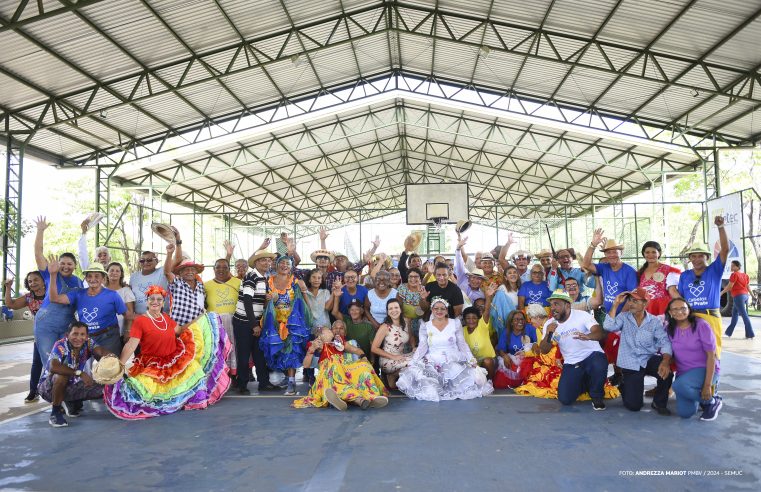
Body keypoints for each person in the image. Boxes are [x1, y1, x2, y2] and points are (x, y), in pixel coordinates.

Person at [104, 286, 231, 419]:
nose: (155, 302)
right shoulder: (140, 321)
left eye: (159, 299)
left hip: (175, 359)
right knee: (145, 393)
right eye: (152, 298)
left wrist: (199, 319)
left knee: (193, 376)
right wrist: (120, 364)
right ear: (147, 301)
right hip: (153, 365)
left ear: (163, 302)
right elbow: (131, 345)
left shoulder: (165, 317)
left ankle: (184, 400)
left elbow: (180, 330)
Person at [396, 298, 493, 401]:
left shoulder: (455, 323)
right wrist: (414, 361)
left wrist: (471, 359)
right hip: (433, 359)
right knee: (427, 385)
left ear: (446, 310)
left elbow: (462, 344)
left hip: (453, 358)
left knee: (472, 380)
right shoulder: (425, 326)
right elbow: (422, 346)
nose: (439, 311)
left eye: (442, 308)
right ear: (432, 310)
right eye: (436, 308)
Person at [601, 288, 673, 415]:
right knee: (634, 406)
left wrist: (666, 361)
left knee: (667, 372)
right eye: (630, 300)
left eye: (635, 301)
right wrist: (615, 304)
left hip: (648, 359)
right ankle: (624, 384)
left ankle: (659, 402)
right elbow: (608, 326)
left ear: (645, 303)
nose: (630, 303)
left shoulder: (654, 321)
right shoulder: (623, 317)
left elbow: (664, 341)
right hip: (631, 362)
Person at [540, 290, 610, 410]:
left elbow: (600, 333)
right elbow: (544, 350)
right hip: (572, 362)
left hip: (591, 355)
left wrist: (588, 336)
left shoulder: (582, 316)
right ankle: (586, 381)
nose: (552, 308)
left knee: (599, 363)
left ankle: (597, 396)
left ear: (567, 305)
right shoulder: (549, 324)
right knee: (565, 399)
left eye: (556, 304)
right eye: (551, 305)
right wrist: (548, 334)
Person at [38, 321, 116, 427]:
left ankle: (70, 401)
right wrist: (79, 373)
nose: (78, 338)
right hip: (48, 389)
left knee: (106, 387)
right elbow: (54, 367)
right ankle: (55, 413)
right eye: (75, 334)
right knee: (61, 375)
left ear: (86, 336)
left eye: (82, 334)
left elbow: (101, 352)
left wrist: (114, 361)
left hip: (72, 385)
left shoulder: (88, 342)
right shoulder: (61, 345)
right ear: (67, 335)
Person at [294, 327, 388, 411]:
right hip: (328, 369)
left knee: (363, 367)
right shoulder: (315, 344)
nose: (331, 331)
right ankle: (358, 400)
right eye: (328, 330)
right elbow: (306, 365)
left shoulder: (338, 341)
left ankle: (370, 397)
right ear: (320, 334)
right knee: (334, 368)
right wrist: (311, 350)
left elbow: (354, 350)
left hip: (344, 366)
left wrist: (363, 357)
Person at [676, 216, 729, 361]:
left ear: (707, 257)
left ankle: (711, 384)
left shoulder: (714, 271)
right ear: (690, 258)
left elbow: (725, 250)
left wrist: (721, 227)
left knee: (713, 353)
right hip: (690, 317)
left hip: (710, 317)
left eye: (701, 256)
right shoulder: (685, 276)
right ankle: (694, 382)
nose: (697, 259)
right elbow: (680, 298)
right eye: (694, 256)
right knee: (690, 354)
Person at [32, 216, 83, 365]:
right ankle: (46, 388)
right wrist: (40, 231)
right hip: (46, 323)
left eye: (69, 264)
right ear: (57, 264)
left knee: (68, 361)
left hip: (67, 324)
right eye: (62, 263)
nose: (65, 266)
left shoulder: (79, 282)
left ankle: (65, 388)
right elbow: (38, 253)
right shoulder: (49, 272)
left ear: (75, 266)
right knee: (50, 362)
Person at [47, 260, 126, 355]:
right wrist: (53, 275)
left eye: (97, 276)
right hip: (85, 337)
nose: (93, 279)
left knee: (111, 365)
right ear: (86, 278)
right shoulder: (78, 293)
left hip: (108, 337)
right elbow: (54, 298)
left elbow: (126, 315)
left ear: (103, 279)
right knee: (77, 366)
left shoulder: (113, 295)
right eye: (89, 276)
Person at [259, 255, 312, 396]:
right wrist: (267, 300)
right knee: (280, 351)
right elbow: (262, 305)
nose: (284, 265)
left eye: (287, 263)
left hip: (292, 323)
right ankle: (287, 377)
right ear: (276, 265)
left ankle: (291, 382)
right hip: (274, 323)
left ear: (291, 266)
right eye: (281, 263)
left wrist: (308, 319)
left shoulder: (297, 281)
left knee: (291, 352)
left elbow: (307, 304)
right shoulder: (268, 281)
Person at [665, 298, 722, 421]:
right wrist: (664, 363)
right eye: (675, 309)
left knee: (678, 386)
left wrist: (707, 385)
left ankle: (712, 402)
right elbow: (669, 353)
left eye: (683, 308)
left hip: (705, 369)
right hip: (684, 373)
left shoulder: (701, 325)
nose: (679, 311)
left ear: (689, 310)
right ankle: (698, 397)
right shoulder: (669, 328)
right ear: (670, 312)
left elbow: (712, 357)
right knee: (685, 413)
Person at [233, 249, 278, 394]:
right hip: (244, 322)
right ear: (256, 263)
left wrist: (266, 300)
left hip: (254, 321)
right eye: (263, 260)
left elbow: (257, 302)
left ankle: (263, 382)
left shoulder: (263, 278)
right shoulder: (251, 276)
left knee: (259, 354)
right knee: (244, 354)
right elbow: (247, 301)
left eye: (268, 260)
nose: (266, 262)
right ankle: (242, 384)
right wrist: (254, 325)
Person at [4, 272, 47, 403]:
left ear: (44, 280)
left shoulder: (52, 293)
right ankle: (33, 392)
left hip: (57, 333)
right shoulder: (29, 297)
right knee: (37, 363)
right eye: (30, 281)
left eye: (36, 280)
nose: (32, 283)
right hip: (40, 335)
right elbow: (10, 304)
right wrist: (7, 287)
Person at [204, 258, 242, 379]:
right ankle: (220, 378)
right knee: (219, 350)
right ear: (213, 269)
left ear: (229, 269)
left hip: (235, 322)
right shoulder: (206, 285)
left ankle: (235, 376)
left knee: (235, 349)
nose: (221, 270)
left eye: (225, 267)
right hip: (216, 325)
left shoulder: (238, 282)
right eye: (218, 267)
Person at [371, 299, 415, 389]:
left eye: (396, 307)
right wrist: (393, 357)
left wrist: (414, 347)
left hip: (401, 356)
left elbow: (411, 337)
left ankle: (397, 376)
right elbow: (374, 348)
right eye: (390, 308)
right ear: (387, 312)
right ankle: (391, 375)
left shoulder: (406, 321)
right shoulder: (385, 327)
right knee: (412, 363)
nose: (394, 310)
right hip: (388, 360)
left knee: (421, 359)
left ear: (400, 309)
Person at [164, 242, 206, 326]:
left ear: (196, 272)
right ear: (181, 272)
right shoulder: (177, 284)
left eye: (192, 269)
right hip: (178, 328)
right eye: (186, 269)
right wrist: (169, 253)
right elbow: (167, 272)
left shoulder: (201, 286)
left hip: (197, 328)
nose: (190, 272)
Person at [461, 284, 498, 380]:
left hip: (488, 361)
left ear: (478, 319)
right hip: (472, 362)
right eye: (468, 318)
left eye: (474, 318)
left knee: (487, 361)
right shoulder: (462, 331)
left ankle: (490, 381)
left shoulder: (482, 325)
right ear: (464, 320)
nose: (471, 321)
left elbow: (486, 311)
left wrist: (488, 297)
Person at [494, 310, 537, 388]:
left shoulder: (530, 328)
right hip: (513, 361)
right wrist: (504, 356)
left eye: (522, 319)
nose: (520, 321)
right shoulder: (506, 332)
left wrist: (530, 350)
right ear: (511, 322)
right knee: (504, 362)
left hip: (528, 358)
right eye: (516, 319)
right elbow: (500, 349)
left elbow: (536, 344)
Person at [637, 241, 681, 315]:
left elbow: (673, 291)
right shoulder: (639, 273)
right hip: (645, 310)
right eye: (647, 252)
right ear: (643, 254)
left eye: (654, 252)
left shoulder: (668, 270)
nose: (650, 255)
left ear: (659, 253)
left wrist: (684, 306)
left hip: (664, 310)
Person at [722, 260, 754, 339]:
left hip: (738, 297)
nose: (731, 267)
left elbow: (729, 287)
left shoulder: (734, 275)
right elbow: (748, 287)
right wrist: (752, 296)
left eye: (733, 265)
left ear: (737, 267)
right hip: (745, 296)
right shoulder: (745, 275)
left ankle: (750, 334)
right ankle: (728, 333)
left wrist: (721, 292)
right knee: (735, 314)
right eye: (731, 265)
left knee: (744, 316)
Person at [130, 250, 169, 315]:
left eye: (149, 260)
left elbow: (176, 260)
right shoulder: (134, 276)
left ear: (156, 261)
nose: (145, 262)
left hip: (159, 317)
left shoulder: (162, 271)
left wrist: (169, 253)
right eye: (142, 261)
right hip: (139, 318)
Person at [105, 262, 136, 344]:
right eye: (111, 270)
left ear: (121, 274)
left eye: (117, 271)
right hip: (102, 332)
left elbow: (130, 313)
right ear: (107, 272)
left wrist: (127, 331)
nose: (114, 273)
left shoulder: (126, 291)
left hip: (119, 333)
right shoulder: (101, 289)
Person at [396, 267, 429, 341]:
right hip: (405, 319)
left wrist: (423, 298)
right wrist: (405, 319)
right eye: (410, 276)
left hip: (420, 320)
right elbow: (398, 305)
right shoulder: (402, 288)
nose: (413, 279)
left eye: (416, 276)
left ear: (420, 278)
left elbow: (425, 309)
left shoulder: (424, 289)